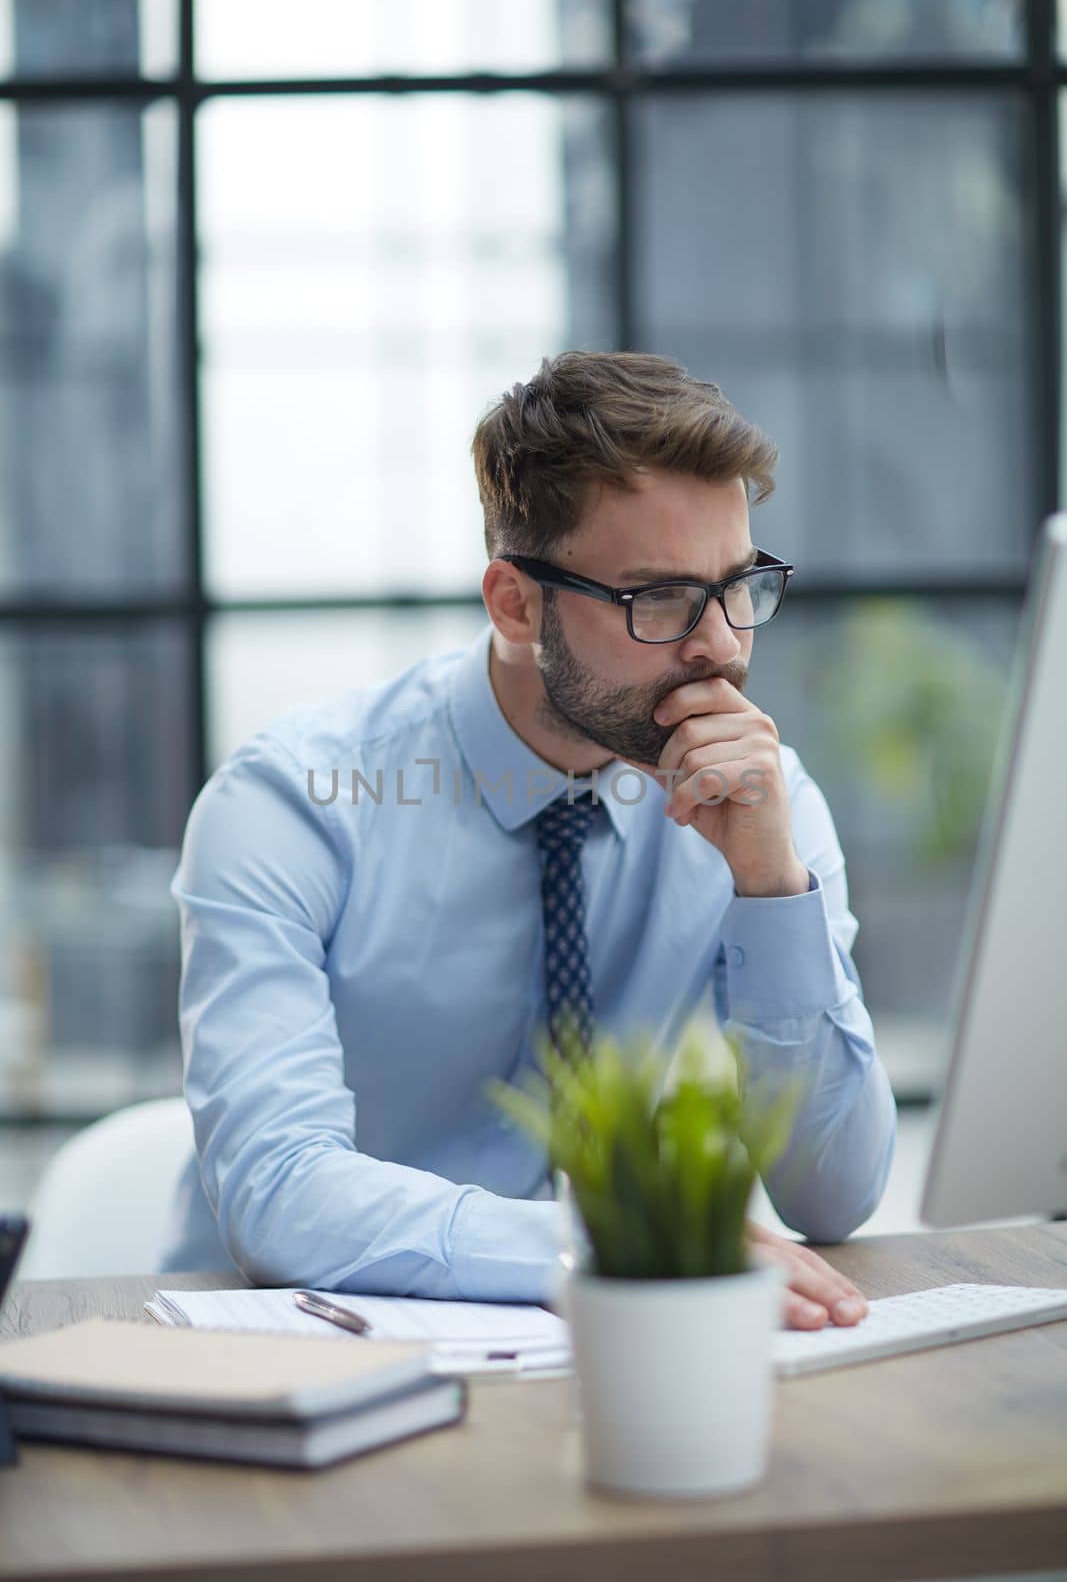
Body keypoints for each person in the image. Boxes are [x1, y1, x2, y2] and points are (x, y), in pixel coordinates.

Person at [160, 351, 896, 1332]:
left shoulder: (763, 802)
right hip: (291, 1369)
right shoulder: (292, 801)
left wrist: (769, 887)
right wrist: (612, 1250)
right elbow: (278, 1188)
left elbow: (833, 1197)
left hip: (619, 1366)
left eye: (736, 585)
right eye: (660, 598)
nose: (719, 645)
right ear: (514, 603)